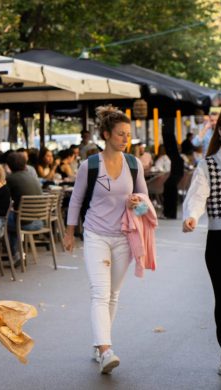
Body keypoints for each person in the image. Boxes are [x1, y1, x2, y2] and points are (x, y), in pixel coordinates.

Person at [63, 105, 147, 374]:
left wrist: (138, 204)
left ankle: (100, 341)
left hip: (124, 238)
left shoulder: (134, 165)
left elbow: (147, 205)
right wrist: (69, 231)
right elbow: (76, 200)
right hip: (96, 235)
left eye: (128, 135)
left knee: (113, 294)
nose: (126, 139)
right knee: (100, 292)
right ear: (107, 135)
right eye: (121, 134)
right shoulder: (90, 165)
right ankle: (105, 349)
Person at [183, 102, 221, 376]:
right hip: (220, 242)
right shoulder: (207, 165)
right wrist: (191, 216)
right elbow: (197, 195)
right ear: (219, 130)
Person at [6, 151, 43, 259]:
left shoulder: (11, 179)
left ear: (9, 165)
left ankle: (15, 254)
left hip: (26, 223)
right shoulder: (32, 176)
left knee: (2, 222)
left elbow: (5, 199)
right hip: (39, 221)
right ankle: (17, 253)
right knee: (13, 219)